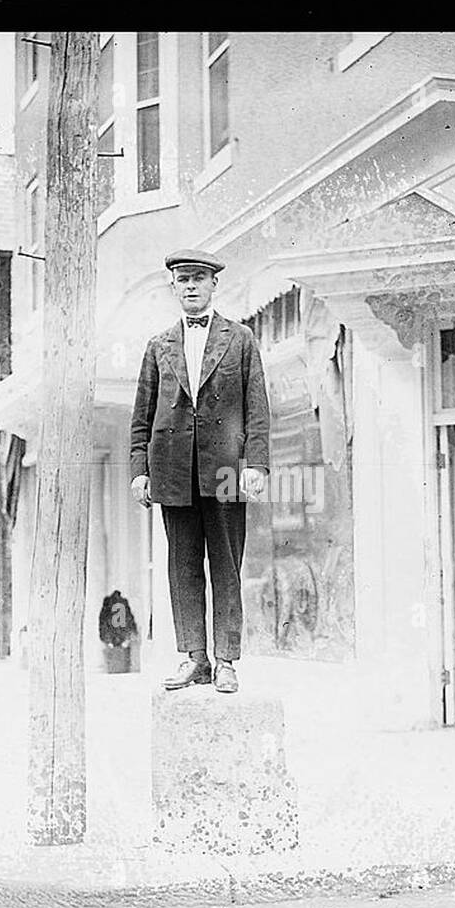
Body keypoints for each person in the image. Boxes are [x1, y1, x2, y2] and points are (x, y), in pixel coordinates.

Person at [129, 248, 271, 694]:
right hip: (173, 473)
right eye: (182, 280)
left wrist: (258, 465)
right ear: (173, 287)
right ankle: (194, 658)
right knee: (182, 567)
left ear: (214, 285)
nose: (190, 286)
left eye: (198, 279)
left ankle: (226, 659)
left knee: (226, 567)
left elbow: (257, 408)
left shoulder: (241, 338)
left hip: (226, 471)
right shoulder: (158, 346)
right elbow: (142, 416)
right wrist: (140, 471)